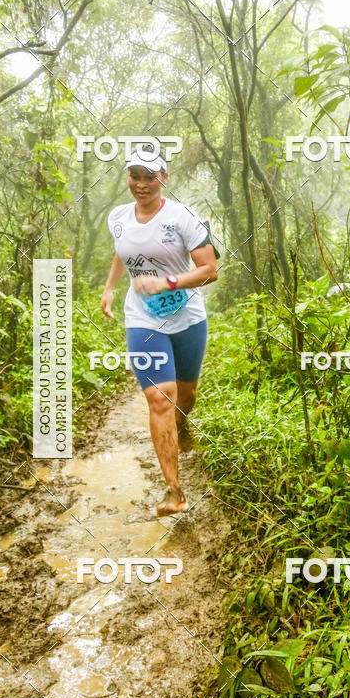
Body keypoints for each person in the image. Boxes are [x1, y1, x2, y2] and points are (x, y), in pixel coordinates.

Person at [100, 148, 218, 517]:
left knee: (186, 392)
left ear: (163, 178)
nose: (140, 184)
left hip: (187, 316)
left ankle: (182, 425)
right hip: (142, 320)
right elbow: (124, 251)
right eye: (134, 175)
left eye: (148, 176)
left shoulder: (182, 217)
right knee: (160, 398)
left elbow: (209, 269)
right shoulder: (118, 217)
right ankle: (174, 491)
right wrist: (109, 287)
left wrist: (167, 282)